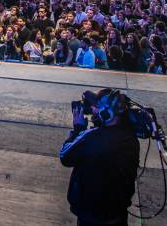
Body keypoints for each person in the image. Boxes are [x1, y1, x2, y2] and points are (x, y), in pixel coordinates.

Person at [59, 88, 140, 225]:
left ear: (107, 113)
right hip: (118, 214)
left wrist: (78, 130)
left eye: (96, 107)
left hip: (92, 216)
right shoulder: (131, 139)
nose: (92, 110)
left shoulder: (92, 137)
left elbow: (65, 156)